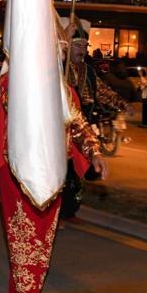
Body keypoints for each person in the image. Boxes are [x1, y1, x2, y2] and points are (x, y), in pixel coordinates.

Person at [0, 24, 107, 293]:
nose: (57, 54)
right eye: (53, 48)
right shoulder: (16, 85)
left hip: (54, 174)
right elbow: (13, 106)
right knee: (26, 240)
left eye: (59, 50)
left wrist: (94, 152)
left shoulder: (65, 91)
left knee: (42, 239)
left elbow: (78, 125)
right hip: (20, 174)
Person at [62, 23, 129, 220]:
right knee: (66, 172)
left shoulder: (89, 71)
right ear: (67, 46)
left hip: (85, 126)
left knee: (81, 173)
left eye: (85, 46)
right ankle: (62, 212)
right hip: (65, 129)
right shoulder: (59, 69)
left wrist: (123, 104)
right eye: (77, 45)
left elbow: (103, 91)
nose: (82, 50)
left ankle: (70, 210)